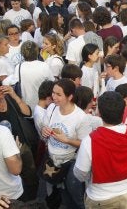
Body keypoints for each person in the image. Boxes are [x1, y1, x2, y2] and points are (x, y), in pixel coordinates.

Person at [73, 91, 127, 208]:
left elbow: (80, 174)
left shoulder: (90, 141)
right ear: (123, 110)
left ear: (99, 113)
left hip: (100, 198)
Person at [39, 79, 95, 208]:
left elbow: (85, 143)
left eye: (59, 94)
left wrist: (66, 140)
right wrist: (44, 130)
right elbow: (44, 126)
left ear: (70, 97)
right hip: (52, 159)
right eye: (53, 93)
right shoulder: (52, 108)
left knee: (75, 195)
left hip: (71, 162)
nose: (54, 97)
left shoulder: (81, 117)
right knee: (61, 193)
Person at [14, 40, 54, 110]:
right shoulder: (44, 65)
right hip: (43, 107)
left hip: (26, 107)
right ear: (37, 51)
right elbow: (52, 83)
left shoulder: (18, 67)